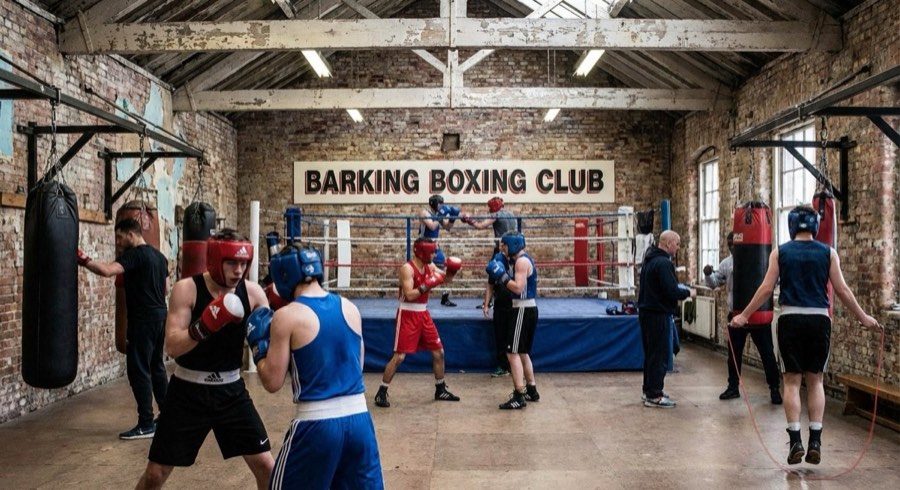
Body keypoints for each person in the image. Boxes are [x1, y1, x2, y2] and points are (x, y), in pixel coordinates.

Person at [731, 206, 880, 465]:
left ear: (791, 225)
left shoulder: (781, 252)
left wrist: (744, 315)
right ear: (814, 225)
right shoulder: (828, 252)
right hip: (819, 319)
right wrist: (863, 317)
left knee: (791, 382)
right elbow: (842, 290)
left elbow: (766, 288)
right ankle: (815, 441)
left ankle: (796, 441)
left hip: (790, 318)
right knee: (816, 381)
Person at [135, 230, 275, 489]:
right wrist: (204, 327)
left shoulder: (254, 294)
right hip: (187, 393)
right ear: (214, 258)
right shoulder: (187, 289)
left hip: (231, 392)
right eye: (232, 262)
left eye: (244, 263)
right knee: (156, 474)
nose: (239, 270)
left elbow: (267, 344)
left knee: (267, 467)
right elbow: (173, 347)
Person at [248, 245, 384, 489]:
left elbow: (272, 381)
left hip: (317, 425)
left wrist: (259, 347)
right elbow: (358, 365)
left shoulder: (287, 316)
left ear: (283, 275)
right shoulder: (350, 307)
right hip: (360, 422)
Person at [77, 218, 169, 439]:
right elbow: (166, 289)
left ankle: (146, 423)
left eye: (119, 237)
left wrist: (83, 260)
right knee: (156, 366)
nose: (117, 242)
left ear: (131, 235)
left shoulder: (133, 255)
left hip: (143, 319)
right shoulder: (159, 256)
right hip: (159, 316)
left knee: (138, 370)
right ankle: (167, 419)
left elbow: (108, 271)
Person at [374, 237, 462, 408]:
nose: (435, 254)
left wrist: (452, 271)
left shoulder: (429, 266)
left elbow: (444, 279)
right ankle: (381, 392)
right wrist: (428, 284)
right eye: (433, 251)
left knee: (439, 352)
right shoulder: (407, 269)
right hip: (407, 313)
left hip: (423, 314)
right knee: (399, 356)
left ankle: (440, 389)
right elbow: (410, 295)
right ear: (423, 252)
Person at [704, 231, 782, 404]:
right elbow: (715, 283)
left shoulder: (763, 260)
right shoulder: (727, 263)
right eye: (729, 244)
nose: (732, 247)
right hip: (737, 316)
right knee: (733, 354)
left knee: (767, 354)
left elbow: (774, 281)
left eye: (734, 243)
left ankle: (775, 388)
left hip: (759, 315)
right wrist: (708, 274)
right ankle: (733, 387)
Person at [637, 230, 694, 408]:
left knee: (651, 354)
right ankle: (655, 395)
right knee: (659, 355)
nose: (678, 248)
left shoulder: (650, 259)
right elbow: (671, 291)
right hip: (657, 314)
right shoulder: (663, 263)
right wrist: (688, 292)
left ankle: (650, 390)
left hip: (647, 313)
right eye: (676, 244)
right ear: (668, 243)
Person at [485, 232, 540, 409]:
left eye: (504, 245)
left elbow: (517, 288)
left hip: (522, 308)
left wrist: (501, 275)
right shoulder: (521, 260)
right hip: (526, 308)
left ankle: (519, 395)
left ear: (513, 245)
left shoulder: (521, 262)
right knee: (522, 352)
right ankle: (531, 389)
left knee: (512, 352)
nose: (502, 248)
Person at [419, 194, 460, 306]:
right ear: (434, 204)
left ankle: (445, 298)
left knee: (444, 268)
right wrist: (441, 215)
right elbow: (432, 226)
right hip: (423, 246)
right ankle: (420, 295)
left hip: (435, 247)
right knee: (422, 271)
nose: (442, 206)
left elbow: (448, 227)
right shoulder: (424, 213)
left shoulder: (438, 215)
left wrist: (452, 217)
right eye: (440, 204)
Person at [482, 251, 512, 377]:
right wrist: (486, 304)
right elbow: (490, 286)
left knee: (513, 337)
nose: (503, 247)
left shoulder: (518, 262)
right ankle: (502, 366)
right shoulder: (496, 261)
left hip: (514, 304)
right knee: (500, 336)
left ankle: (515, 366)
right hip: (500, 304)